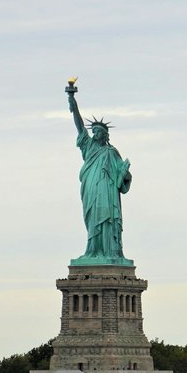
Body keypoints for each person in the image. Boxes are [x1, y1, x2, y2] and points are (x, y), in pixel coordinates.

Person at [67, 88, 132, 263]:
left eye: (98, 132)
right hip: (91, 187)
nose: (95, 134)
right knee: (93, 218)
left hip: (108, 191)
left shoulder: (112, 152)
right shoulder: (88, 147)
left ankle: (111, 252)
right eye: (94, 131)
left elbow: (122, 179)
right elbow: (80, 126)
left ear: (105, 135)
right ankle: (93, 250)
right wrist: (73, 103)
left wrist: (125, 173)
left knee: (108, 219)